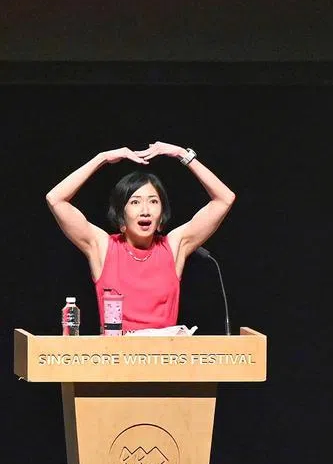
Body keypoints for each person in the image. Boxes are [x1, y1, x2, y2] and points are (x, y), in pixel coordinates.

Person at [45, 142, 236, 332]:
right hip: (115, 358)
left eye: (153, 201)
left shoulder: (174, 247)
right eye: (135, 202)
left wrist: (181, 154)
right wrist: (102, 158)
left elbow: (224, 198)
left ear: (161, 215)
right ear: (121, 215)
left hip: (164, 357)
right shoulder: (102, 247)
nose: (145, 211)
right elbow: (55, 199)